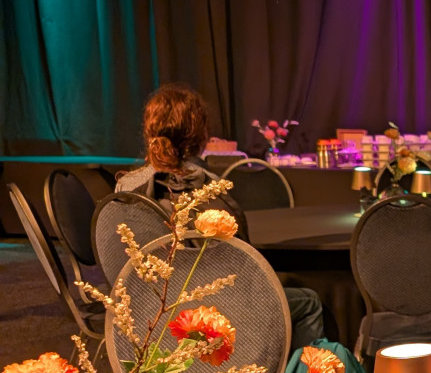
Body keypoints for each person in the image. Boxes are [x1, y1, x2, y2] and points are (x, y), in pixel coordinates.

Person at [114, 84, 327, 352]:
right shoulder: (207, 189)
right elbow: (244, 263)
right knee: (308, 301)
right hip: (209, 315)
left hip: (146, 316)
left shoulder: (125, 187)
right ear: (199, 135)